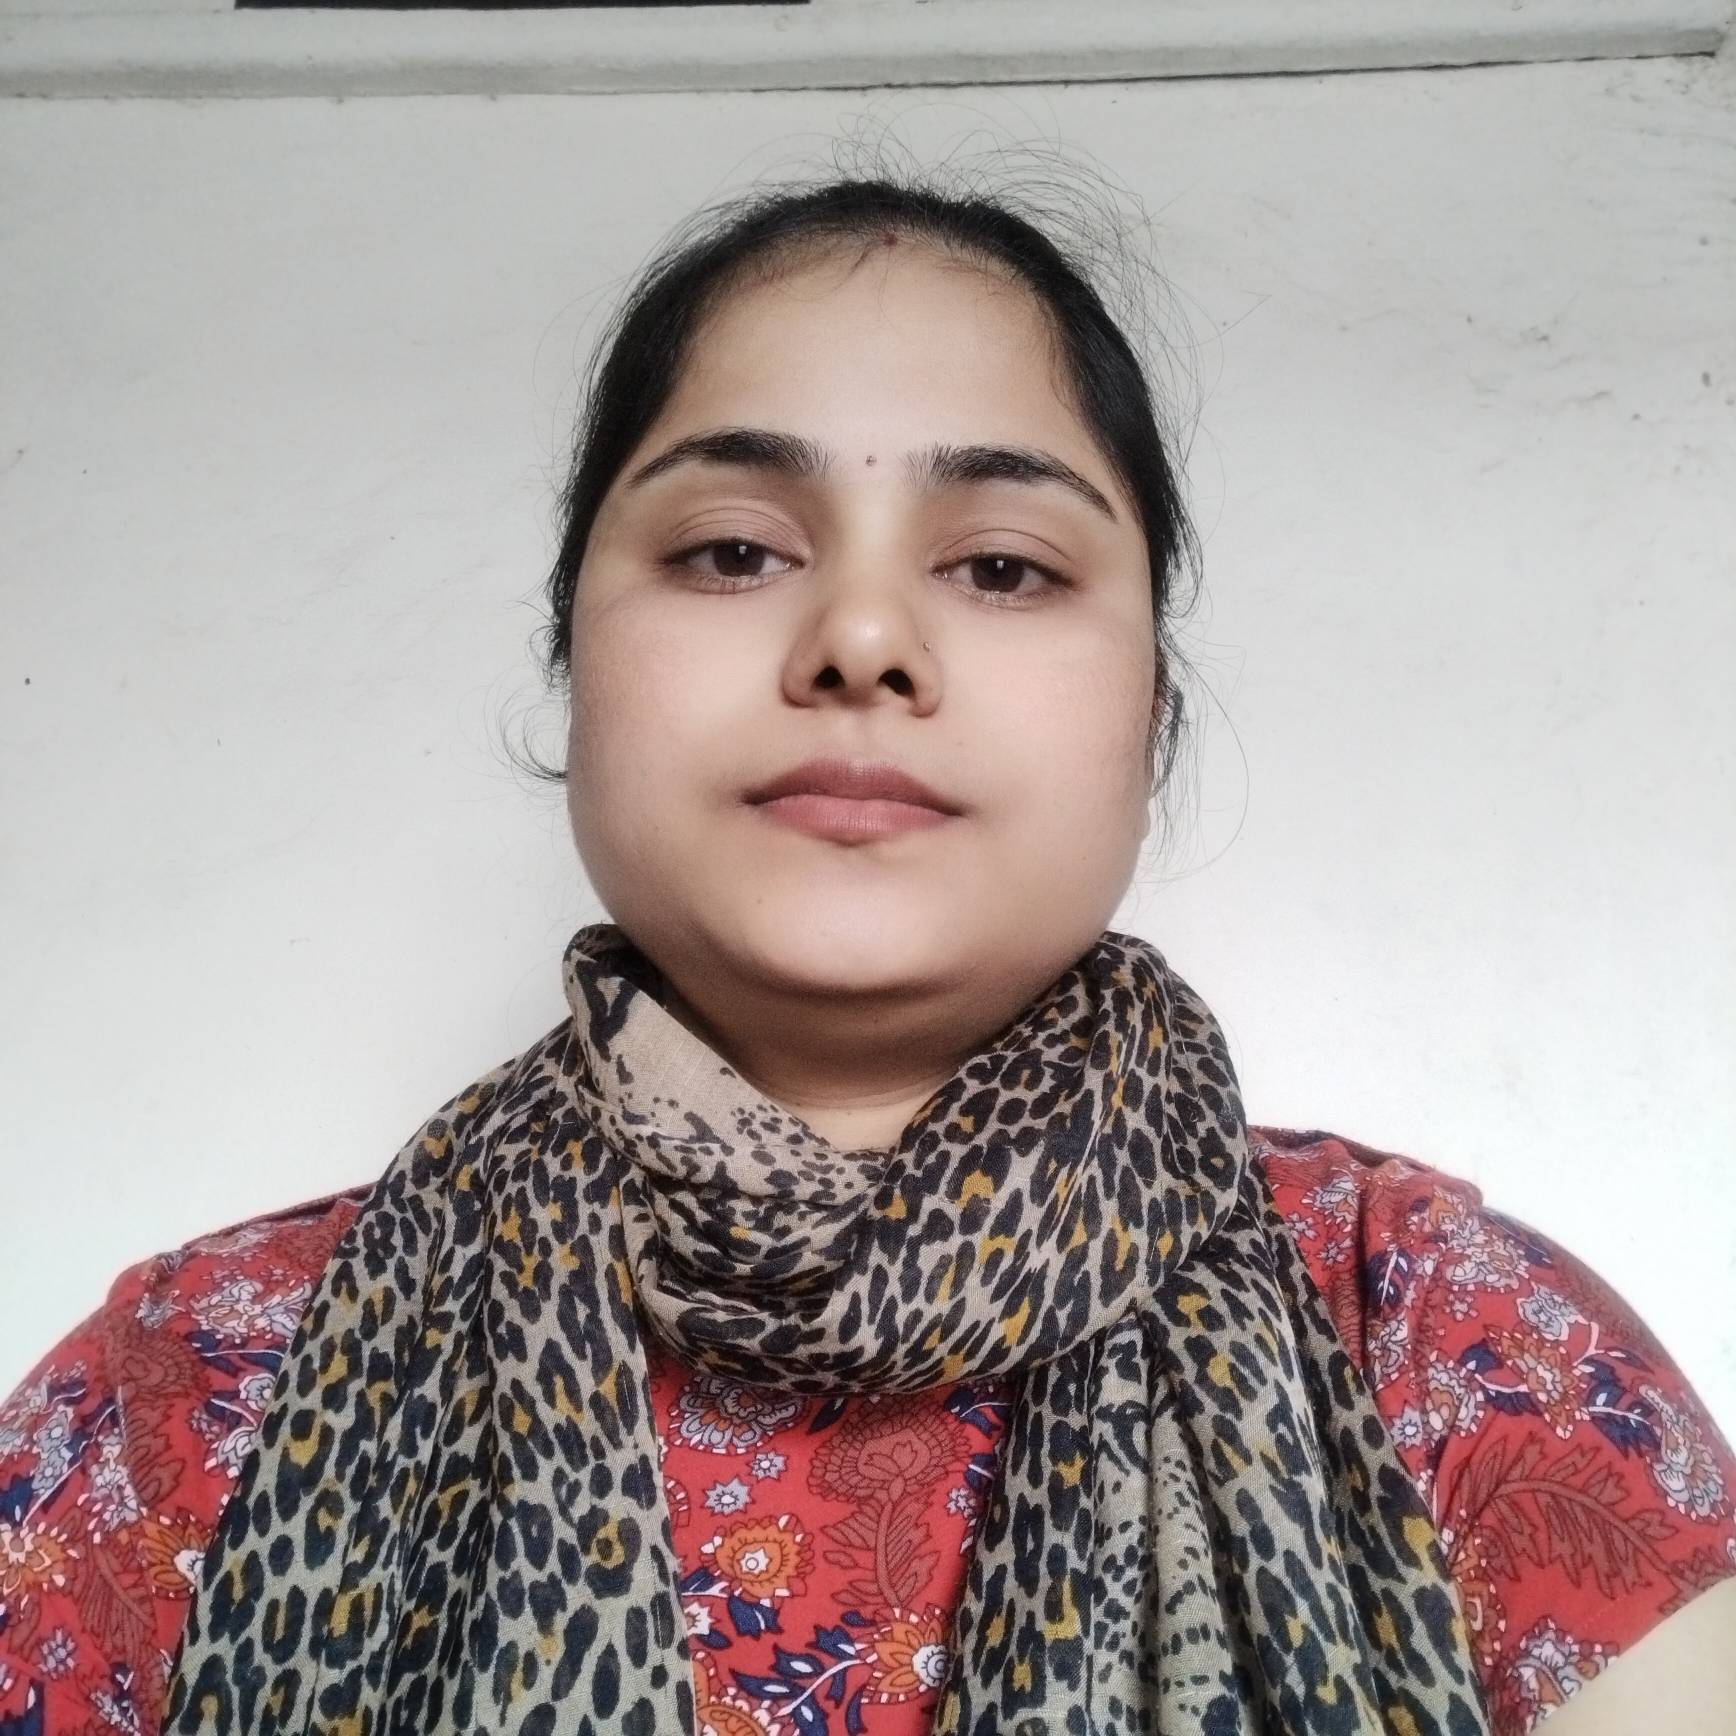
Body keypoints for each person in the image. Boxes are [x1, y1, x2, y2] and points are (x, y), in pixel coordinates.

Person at [2, 168, 1731, 1736]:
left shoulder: (1449, 1341)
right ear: (572, 669)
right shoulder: (180, 1391)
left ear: (1152, 718)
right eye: (732, 549)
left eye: (1004, 567)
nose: (863, 638)